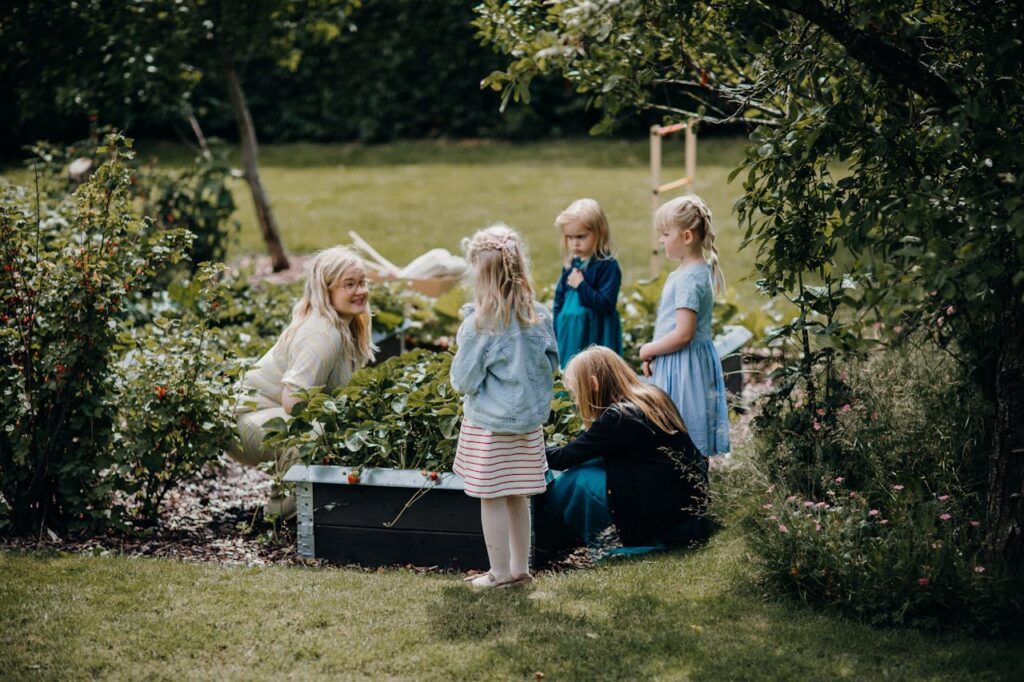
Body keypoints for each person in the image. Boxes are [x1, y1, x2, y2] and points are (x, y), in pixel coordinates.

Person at [228, 246, 375, 518]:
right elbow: (294, 402)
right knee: (313, 434)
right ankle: (281, 516)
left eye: (363, 282)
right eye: (349, 284)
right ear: (326, 290)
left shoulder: (348, 326)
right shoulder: (323, 335)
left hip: (267, 415)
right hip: (244, 420)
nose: (361, 291)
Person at [450, 224, 559, 588]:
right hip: (528, 425)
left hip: (491, 427)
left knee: (492, 496)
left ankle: (497, 573)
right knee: (518, 494)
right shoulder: (539, 315)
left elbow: (463, 381)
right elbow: (552, 363)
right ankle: (520, 569)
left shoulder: (479, 325)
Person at [536, 346, 710, 563]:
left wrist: (527, 447)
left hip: (659, 511)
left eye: (576, 391)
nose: (576, 398)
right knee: (593, 467)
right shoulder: (652, 396)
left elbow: (564, 457)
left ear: (593, 383)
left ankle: (546, 540)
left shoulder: (618, 417)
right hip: (685, 505)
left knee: (578, 480)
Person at [639, 195, 731, 457]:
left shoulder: (689, 279)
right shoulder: (694, 271)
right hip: (681, 361)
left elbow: (683, 333)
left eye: (666, 234)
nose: (660, 239)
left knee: (684, 430)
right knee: (682, 430)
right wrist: (657, 352)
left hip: (684, 366)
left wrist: (648, 348)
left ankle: (689, 491)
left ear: (687, 237)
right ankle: (689, 490)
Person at [552, 198, 623, 368]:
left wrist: (581, 285)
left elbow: (606, 304)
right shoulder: (571, 264)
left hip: (594, 336)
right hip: (568, 336)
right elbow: (559, 300)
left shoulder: (607, 266)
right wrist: (554, 328)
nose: (574, 243)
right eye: (569, 237)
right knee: (569, 376)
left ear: (600, 232)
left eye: (581, 236)